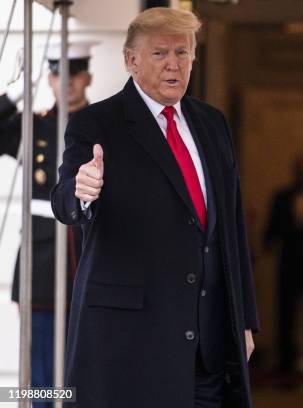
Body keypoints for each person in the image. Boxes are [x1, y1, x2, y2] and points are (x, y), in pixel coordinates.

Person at [50, 8, 259, 407]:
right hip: (131, 343)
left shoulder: (212, 124)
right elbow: (65, 199)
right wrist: (83, 190)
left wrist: (244, 319)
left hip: (207, 346)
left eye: (182, 53)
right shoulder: (97, 123)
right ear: (132, 60)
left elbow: (230, 228)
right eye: (160, 53)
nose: (173, 65)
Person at [0, 41, 95, 407]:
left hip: (89, 256)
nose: (66, 81)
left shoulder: (102, 124)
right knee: (39, 373)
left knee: (84, 370)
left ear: (87, 76)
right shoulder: (34, 125)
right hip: (40, 264)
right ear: (50, 79)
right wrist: (17, 93)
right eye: (57, 73)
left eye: (74, 72)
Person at [264, 152, 303, 377]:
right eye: (299, 169)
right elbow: (271, 230)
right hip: (287, 265)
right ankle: (285, 361)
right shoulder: (281, 197)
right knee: (285, 315)